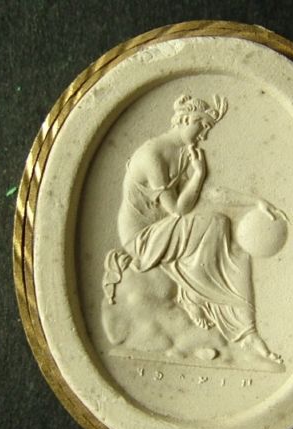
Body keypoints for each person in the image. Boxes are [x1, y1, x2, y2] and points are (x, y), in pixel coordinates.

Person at [103, 95, 282, 363]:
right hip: (141, 239)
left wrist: (255, 202)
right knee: (216, 223)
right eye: (203, 126)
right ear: (186, 120)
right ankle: (196, 297)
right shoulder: (152, 155)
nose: (204, 135)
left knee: (236, 250)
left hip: (167, 230)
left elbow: (207, 194)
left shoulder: (183, 153)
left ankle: (247, 331)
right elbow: (178, 209)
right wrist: (198, 175)